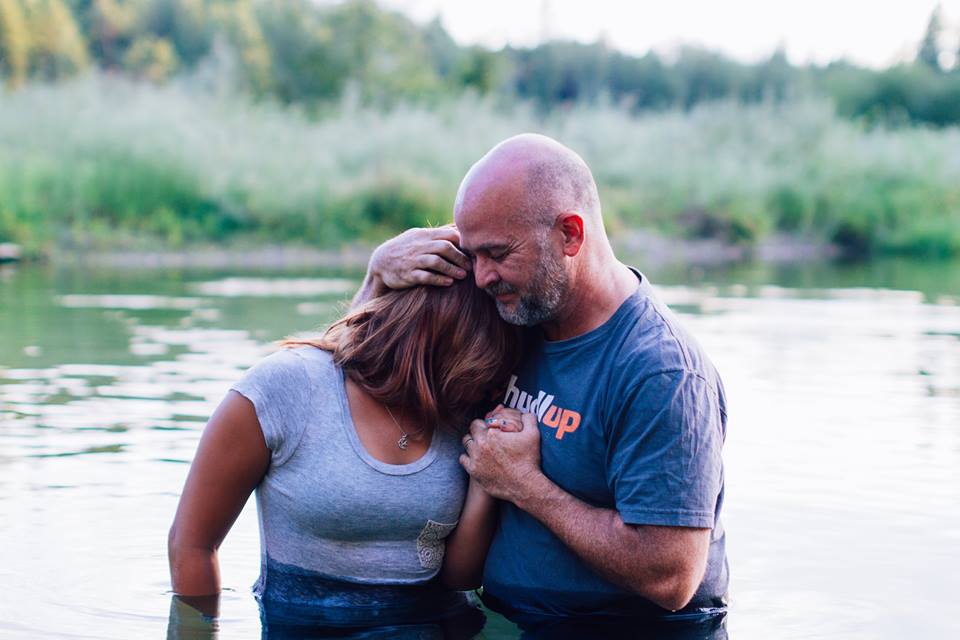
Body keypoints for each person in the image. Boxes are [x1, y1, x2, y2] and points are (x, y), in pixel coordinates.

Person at [360, 133, 729, 636]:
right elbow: (366, 383)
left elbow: (670, 576)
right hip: (505, 620)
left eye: (497, 254)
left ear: (570, 236)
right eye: (473, 255)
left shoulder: (661, 372)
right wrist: (376, 275)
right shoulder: (516, 314)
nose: (482, 277)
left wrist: (523, 485)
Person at [167, 276, 523, 637]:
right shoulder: (285, 386)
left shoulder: (466, 410)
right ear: (441, 342)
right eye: (483, 361)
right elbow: (192, 544)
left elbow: (459, 577)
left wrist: (485, 480)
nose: (492, 381)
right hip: (303, 625)